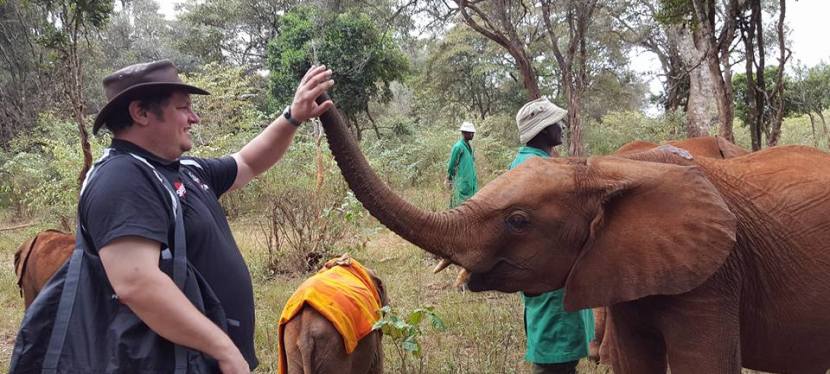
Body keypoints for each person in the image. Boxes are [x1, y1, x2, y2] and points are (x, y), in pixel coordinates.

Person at [11, 60, 334, 373]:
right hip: (163, 361)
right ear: (140, 113)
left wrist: (293, 116)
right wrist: (222, 348)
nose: (194, 118)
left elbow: (247, 163)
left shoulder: (184, 171)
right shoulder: (121, 179)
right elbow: (136, 284)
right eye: (183, 108)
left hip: (200, 359)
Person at [512, 98, 594, 374]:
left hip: (543, 281)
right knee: (555, 359)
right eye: (556, 122)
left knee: (557, 356)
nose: (562, 127)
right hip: (553, 282)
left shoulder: (528, 163)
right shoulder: (541, 171)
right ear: (544, 129)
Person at [445, 121, 478, 208]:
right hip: (462, 183)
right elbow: (452, 165)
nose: (472, 135)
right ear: (464, 133)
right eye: (470, 133)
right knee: (459, 207)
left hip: (470, 183)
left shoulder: (469, 147)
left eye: (473, 133)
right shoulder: (458, 147)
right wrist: (449, 179)